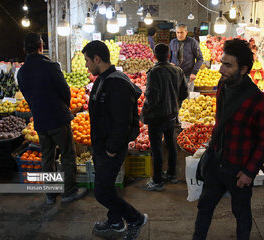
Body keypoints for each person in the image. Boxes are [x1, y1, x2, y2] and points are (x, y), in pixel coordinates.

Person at [192, 39, 264, 240]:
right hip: (216, 163)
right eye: (222, 63)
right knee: (204, 207)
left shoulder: (259, 102)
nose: (221, 69)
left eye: (228, 65)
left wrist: (249, 172)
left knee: (241, 213)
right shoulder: (222, 85)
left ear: (244, 69)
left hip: (239, 170)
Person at [82, 41, 148, 240]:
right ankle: (116, 222)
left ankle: (135, 218)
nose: (86, 65)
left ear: (97, 59)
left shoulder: (117, 83)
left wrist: (111, 148)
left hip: (110, 147)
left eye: (87, 60)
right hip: (102, 144)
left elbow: (122, 121)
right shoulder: (104, 78)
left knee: (102, 192)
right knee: (107, 187)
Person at [17, 33, 87, 205]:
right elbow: (66, 92)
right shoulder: (51, 66)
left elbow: (28, 96)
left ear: (25, 50)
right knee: (67, 154)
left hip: (40, 121)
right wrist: (60, 106)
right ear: (41, 47)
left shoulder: (22, 72)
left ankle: (50, 194)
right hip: (57, 118)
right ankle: (69, 192)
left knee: (47, 157)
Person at [142, 43, 188, 191]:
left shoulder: (153, 72)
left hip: (156, 117)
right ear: (169, 55)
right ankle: (172, 174)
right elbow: (184, 94)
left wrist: (145, 112)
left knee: (157, 148)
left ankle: (157, 181)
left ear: (154, 56)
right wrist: (174, 103)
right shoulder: (178, 71)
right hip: (171, 115)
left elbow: (151, 97)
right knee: (171, 144)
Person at [169, 24, 204, 92]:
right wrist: (169, 64)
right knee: (174, 97)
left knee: (186, 99)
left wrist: (194, 72)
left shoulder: (192, 42)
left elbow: (200, 58)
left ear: (186, 32)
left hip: (188, 76)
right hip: (174, 75)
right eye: (177, 32)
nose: (179, 35)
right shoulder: (172, 42)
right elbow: (168, 57)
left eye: (181, 32)